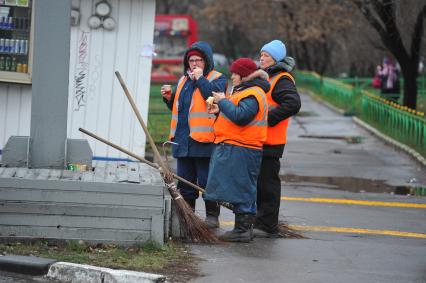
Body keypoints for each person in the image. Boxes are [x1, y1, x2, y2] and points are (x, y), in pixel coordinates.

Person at [161, 41, 227, 228]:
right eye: (191, 60)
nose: (195, 63)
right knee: (185, 183)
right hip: (183, 141)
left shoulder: (218, 78)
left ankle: (212, 217)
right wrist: (169, 99)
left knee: (207, 182)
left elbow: (213, 100)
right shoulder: (183, 80)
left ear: (207, 61)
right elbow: (183, 110)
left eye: (199, 59)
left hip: (205, 141)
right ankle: (187, 218)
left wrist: (200, 79)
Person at [205, 58, 270, 242]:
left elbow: (241, 116)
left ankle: (242, 230)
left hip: (243, 148)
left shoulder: (253, 93)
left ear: (243, 75)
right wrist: (219, 109)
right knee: (239, 187)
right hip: (238, 146)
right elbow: (236, 113)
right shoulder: (247, 91)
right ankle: (241, 228)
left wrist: (223, 101)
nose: (232, 76)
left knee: (242, 188)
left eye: (235, 73)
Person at [254, 40, 301, 238]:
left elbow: (293, 104)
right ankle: (261, 221)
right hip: (260, 140)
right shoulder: (267, 77)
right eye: (261, 54)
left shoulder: (282, 79)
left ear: (276, 59)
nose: (261, 58)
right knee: (260, 185)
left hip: (271, 141)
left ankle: (268, 225)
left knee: (268, 185)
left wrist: (268, 119)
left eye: (266, 55)